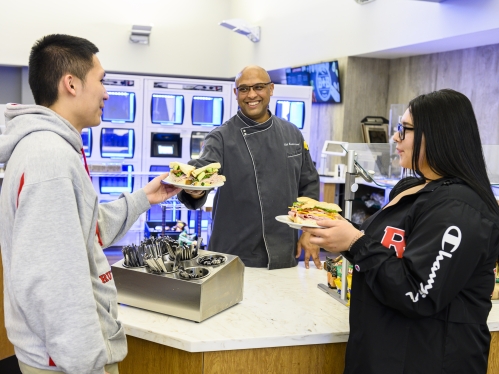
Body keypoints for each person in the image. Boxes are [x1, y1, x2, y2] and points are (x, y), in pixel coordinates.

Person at [0, 34, 181, 374]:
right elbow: (55, 283)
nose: (107, 93)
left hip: (62, 356)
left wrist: (145, 197)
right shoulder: (50, 160)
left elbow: (85, 229)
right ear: (71, 83)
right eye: (101, 80)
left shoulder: (50, 149)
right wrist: (87, 363)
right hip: (67, 363)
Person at [303, 89, 499, 374]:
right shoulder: (411, 188)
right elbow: (385, 250)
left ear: (437, 134)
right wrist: (337, 234)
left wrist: (356, 242)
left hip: (427, 359)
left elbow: (417, 293)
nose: (394, 137)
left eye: (404, 129)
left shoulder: (460, 207)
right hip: (386, 353)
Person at [177, 65, 320, 270]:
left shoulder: (292, 133)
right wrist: (195, 187)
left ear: (271, 89)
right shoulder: (221, 136)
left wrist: (309, 231)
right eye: (244, 89)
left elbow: (309, 185)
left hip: (283, 249)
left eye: (258, 87)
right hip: (234, 252)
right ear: (236, 93)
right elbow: (204, 168)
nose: (251, 95)